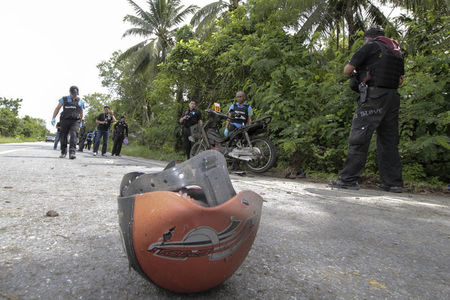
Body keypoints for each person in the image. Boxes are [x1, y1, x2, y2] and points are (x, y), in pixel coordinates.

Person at [329, 27, 405, 193]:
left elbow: (347, 70)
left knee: (360, 136)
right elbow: (400, 80)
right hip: (392, 98)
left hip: (373, 97)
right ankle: (393, 183)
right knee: (389, 140)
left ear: (368, 38)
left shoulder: (371, 46)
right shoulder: (396, 51)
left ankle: (348, 179)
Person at [51, 86, 85, 159]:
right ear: (70, 92)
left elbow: (81, 111)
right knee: (63, 136)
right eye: (73, 94)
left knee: (74, 135)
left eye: (75, 94)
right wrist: (53, 117)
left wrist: (81, 121)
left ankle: (72, 153)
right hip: (64, 120)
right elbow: (57, 108)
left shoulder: (80, 101)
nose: (74, 96)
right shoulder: (64, 99)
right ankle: (63, 152)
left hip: (75, 121)